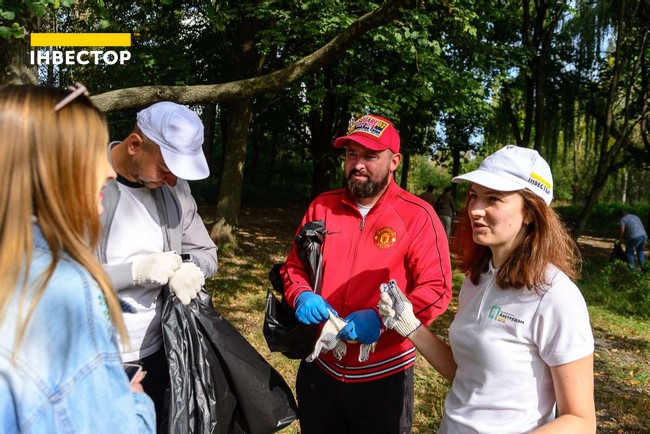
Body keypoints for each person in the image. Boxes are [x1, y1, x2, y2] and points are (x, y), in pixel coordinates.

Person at [379, 145, 596, 433]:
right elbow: (466, 374)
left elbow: (581, 421)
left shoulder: (555, 296)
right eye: (474, 196)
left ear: (530, 212)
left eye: (493, 198)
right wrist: (411, 326)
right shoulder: (476, 280)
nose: (475, 210)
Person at [281, 114, 452, 434]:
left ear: (394, 161)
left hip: (383, 375)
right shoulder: (322, 207)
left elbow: (437, 289)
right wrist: (301, 294)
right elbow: (294, 267)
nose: (357, 164)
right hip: (322, 367)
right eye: (351, 154)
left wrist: (384, 319)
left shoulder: (417, 215)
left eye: (370, 155)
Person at [0, 84, 155, 432]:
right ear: (52, 165)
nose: (110, 172)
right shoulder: (64, 287)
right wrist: (132, 401)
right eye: (92, 155)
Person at [98, 101, 218, 425]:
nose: (170, 181)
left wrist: (188, 265)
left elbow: (207, 252)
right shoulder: (84, 185)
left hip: (158, 354)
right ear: (135, 145)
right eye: (165, 170)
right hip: (94, 359)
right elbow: (55, 275)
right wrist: (134, 273)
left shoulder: (176, 191)